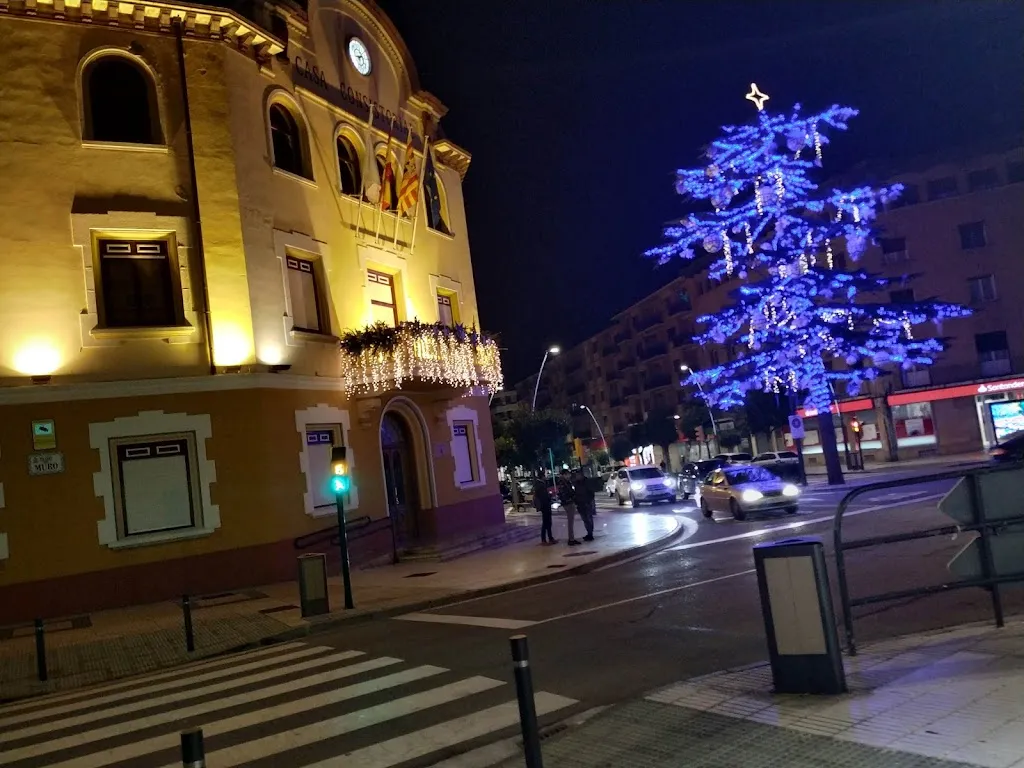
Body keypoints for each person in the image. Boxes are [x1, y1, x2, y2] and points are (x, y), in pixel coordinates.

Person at [557, 468, 581, 546]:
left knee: (571, 521)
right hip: (568, 503)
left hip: (568, 502)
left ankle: (571, 538)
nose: (569, 475)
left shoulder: (564, 482)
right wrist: (571, 498)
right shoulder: (563, 483)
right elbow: (565, 493)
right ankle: (571, 539)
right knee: (570, 522)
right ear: (564, 475)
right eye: (568, 474)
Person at [572, 470, 596, 542]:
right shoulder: (576, 483)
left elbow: (591, 492)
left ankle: (590, 533)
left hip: (587, 503)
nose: (577, 477)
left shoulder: (586, 482)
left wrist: (589, 501)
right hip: (580, 503)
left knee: (588, 519)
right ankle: (589, 533)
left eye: (578, 475)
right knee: (585, 519)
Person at [532, 475, 556, 545]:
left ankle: (548, 538)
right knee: (546, 523)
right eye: (544, 476)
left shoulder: (538, 484)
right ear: (542, 477)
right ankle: (545, 539)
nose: (546, 477)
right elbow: (543, 496)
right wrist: (549, 497)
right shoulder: (541, 485)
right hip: (545, 506)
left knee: (547, 522)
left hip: (544, 505)